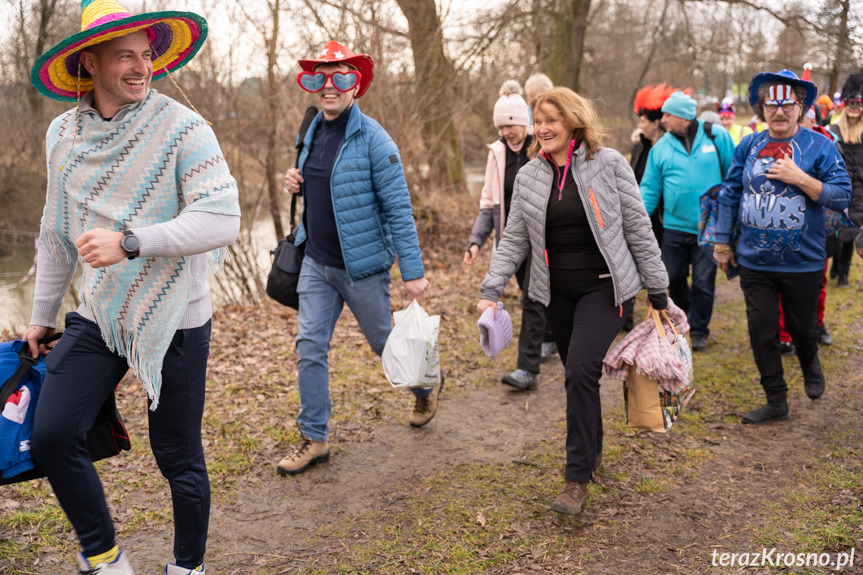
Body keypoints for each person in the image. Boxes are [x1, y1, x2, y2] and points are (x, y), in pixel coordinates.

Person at [25, 1, 240, 573]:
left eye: (147, 55)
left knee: (176, 454)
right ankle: (106, 558)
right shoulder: (62, 136)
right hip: (102, 313)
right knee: (51, 435)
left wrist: (132, 240)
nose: (141, 67)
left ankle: (187, 567)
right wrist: (42, 315)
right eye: (125, 56)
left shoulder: (182, 128)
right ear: (88, 63)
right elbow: (56, 233)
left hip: (176, 316)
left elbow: (222, 218)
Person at [477, 87, 669, 515]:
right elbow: (513, 240)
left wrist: (658, 290)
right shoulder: (529, 175)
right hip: (556, 294)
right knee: (578, 376)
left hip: (606, 288)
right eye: (538, 121)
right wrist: (490, 291)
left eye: (552, 120)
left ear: (573, 121)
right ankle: (593, 447)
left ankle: (576, 478)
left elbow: (639, 228)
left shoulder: (610, 164)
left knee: (580, 371)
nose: (543, 129)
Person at [279, 41, 436, 476]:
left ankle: (425, 386)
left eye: (341, 77)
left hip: (362, 268)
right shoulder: (311, 129)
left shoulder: (374, 140)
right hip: (316, 261)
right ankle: (315, 438)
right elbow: (320, 185)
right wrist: (296, 180)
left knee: (386, 346)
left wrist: (413, 272)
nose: (329, 86)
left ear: (356, 86)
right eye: (320, 77)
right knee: (310, 347)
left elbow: (399, 208)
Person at [714, 69, 851, 424]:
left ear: (800, 107)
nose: (778, 112)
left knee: (803, 329)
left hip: (802, 263)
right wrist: (721, 242)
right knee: (762, 332)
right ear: (762, 109)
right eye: (770, 105)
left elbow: (841, 194)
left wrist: (801, 178)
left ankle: (810, 363)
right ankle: (776, 400)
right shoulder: (749, 145)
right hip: (755, 261)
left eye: (786, 105)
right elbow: (730, 192)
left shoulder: (820, 146)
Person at [464, 80, 553, 390]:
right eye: (501, 127)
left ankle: (526, 369)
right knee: (539, 298)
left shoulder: (540, 146)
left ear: (523, 122)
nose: (506, 132)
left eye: (511, 125)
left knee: (532, 299)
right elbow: (489, 203)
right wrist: (476, 241)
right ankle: (551, 337)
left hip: (543, 239)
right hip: (512, 242)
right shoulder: (497, 152)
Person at [640, 90, 735, 351]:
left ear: (682, 116)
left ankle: (700, 329)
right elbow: (649, 189)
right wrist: (635, 220)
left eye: (667, 115)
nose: (663, 120)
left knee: (704, 282)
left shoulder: (717, 137)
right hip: (673, 228)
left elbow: (733, 177)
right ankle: (684, 319)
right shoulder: (660, 148)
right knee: (673, 278)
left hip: (709, 229)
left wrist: (732, 217)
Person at [624, 84, 675, 330]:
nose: (640, 125)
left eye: (644, 120)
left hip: (665, 220)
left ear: (656, 122)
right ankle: (626, 317)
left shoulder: (670, 150)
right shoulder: (639, 148)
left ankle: (664, 315)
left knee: (662, 269)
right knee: (631, 264)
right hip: (640, 217)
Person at [828, 70, 863, 288]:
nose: (854, 109)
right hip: (837, 187)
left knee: (851, 231)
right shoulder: (833, 129)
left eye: (858, 104)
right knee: (835, 231)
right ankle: (834, 262)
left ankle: (843, 274)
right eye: (851, 104)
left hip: (859, 190)